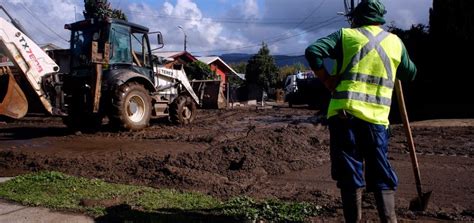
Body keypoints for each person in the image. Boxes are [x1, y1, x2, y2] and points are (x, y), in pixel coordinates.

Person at [305, 0, 417, 222]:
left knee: (349, 174)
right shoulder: (395, 43)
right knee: (381, 172)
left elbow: (313, 51)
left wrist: (327, 79)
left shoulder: (346, 36)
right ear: (380, 19)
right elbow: (410, 73)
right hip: (377, 121)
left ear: (356, 18)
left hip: (344, 116)